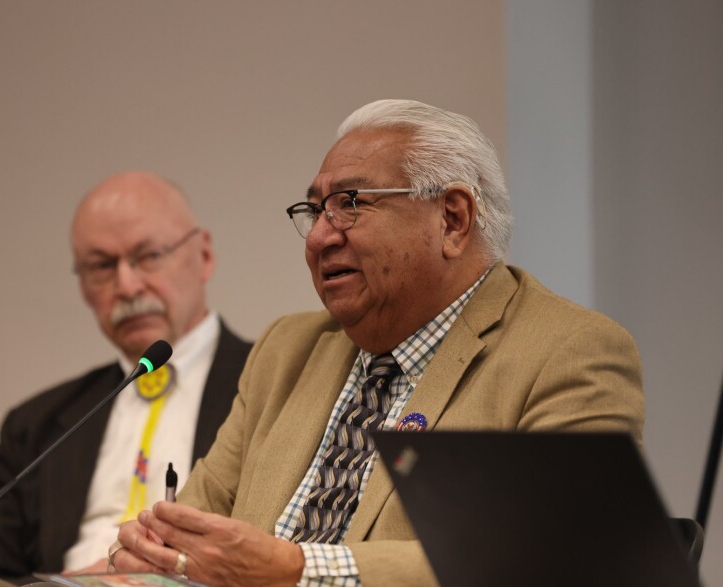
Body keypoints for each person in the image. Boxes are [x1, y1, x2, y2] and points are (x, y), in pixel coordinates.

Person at [109, 100, 645, 586]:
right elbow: (188, 532)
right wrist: (152, 553)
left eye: (349, 203)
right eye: (314, 210)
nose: (320, 236)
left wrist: (295, 571)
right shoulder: (286, 350)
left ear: (453, 219)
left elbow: (561, 557)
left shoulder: (567, 352)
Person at [0, 172, 251, 582]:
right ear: (82, 286)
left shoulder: (274, 387)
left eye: (149, 255)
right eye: (101, 266)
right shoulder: (36, 424)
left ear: (204, 256)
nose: (127, 286)